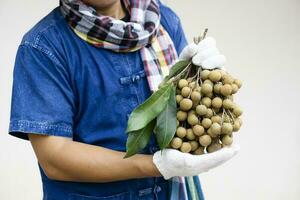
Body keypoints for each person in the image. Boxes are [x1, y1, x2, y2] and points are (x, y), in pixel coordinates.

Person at [9, 0, 239, 199]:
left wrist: (197, 75)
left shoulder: (164, 22)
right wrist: (156, 166)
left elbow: (187, 117)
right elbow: (55, 158)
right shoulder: (43, 46)